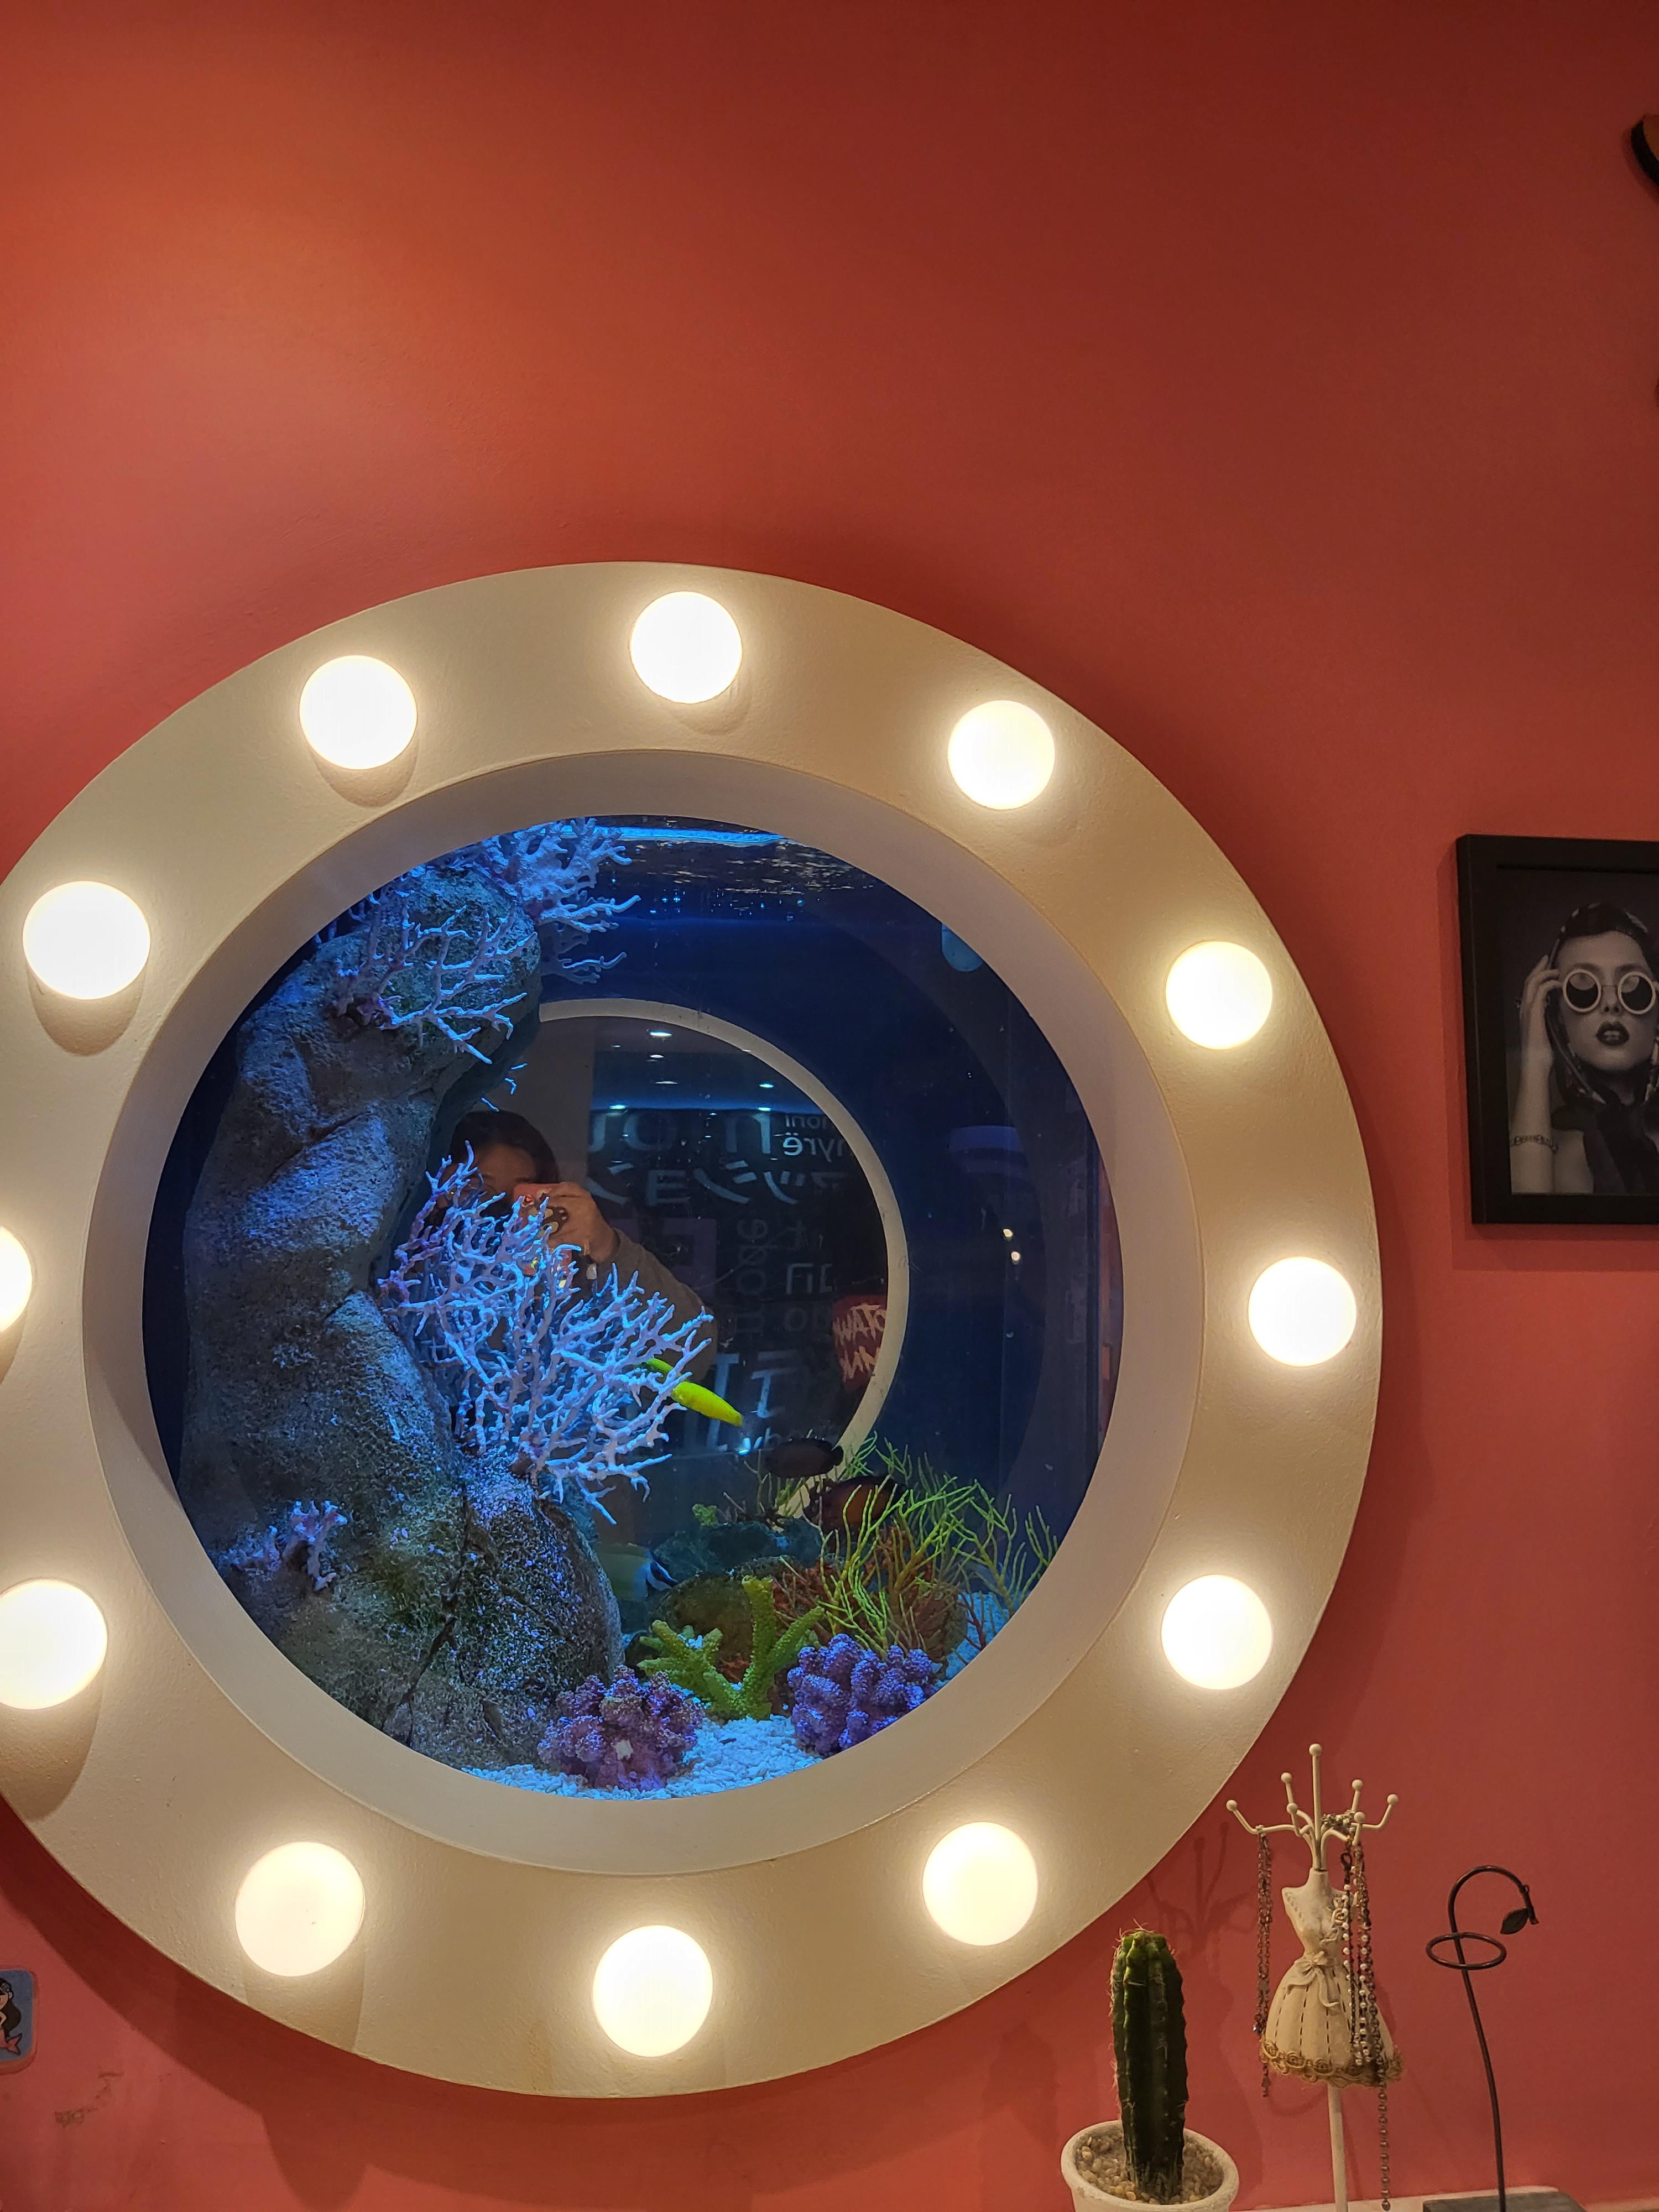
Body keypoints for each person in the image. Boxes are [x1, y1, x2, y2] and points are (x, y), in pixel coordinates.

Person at [445, 1110, 714, 1373]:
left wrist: (605, 1245)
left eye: (522, 1199)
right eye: (479, 1190)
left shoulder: (564, 1274)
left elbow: (692, 1353)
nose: (504, 1211)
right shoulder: (425, 1261)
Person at [1511, 900, 1659, 1196]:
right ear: (1556, 1016)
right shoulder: (1549, 1147)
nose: (1612, 1004)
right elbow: (1525, 1215)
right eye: (1583, 988)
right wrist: (1535, 1064)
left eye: (1633, 986)